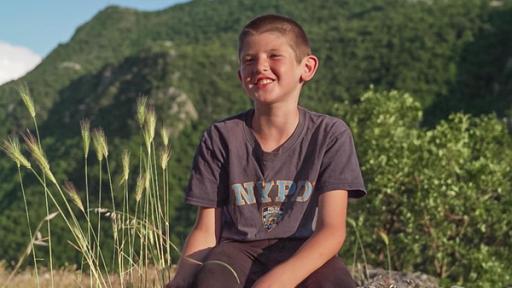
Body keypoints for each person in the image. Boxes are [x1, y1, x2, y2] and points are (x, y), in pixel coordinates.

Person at [167, 14, 366, 288]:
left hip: (302, 248)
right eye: (249, 60)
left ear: (306, 67)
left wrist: (276, 282)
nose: (260, 66)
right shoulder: (222, 137)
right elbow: (205, 230)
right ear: (240, 75)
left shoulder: (330, 135)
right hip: (236, 251)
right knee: (211, 280)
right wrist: (180, 280)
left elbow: (332, 231)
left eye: (274, 56)